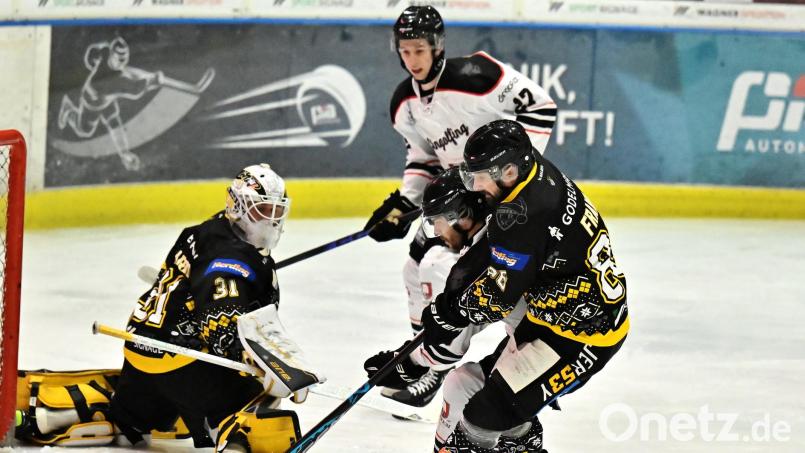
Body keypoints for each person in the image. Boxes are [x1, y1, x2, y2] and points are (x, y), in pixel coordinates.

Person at [15, 164, 322, 451]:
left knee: (139, 414)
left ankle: (68, 413)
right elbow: (223, 330)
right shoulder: (232, 261)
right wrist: (276, 369)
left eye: (277, 211)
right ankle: (232, 435)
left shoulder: (203, 232)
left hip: (140, 355)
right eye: (263, 210)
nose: (272, 220)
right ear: (239, 208)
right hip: (183, 368)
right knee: (262, 395)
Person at [369, 120, 630, 452]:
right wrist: (416, 353)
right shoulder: (530, 175)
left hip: (581, 338)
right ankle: (520, 438)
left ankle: (516, 434)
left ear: (508, 170)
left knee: (484, 416)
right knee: (466, 385)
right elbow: (484, 260)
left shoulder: (526, 214)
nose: (476, 186)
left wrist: (444, 316)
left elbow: (493, 300)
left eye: (482, 176)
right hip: (553, 321)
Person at [364, 4, 557, 407]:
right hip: (457, 198)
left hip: (496, 195)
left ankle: (445, 358)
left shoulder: (477, 76)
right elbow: (423, 159)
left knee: (445, 268)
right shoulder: (404, 102)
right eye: (405, 50)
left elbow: (541, 107)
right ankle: (428, 359)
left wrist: (514, 176)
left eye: (419, 49)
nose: (412, 59)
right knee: (414, 267)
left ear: (437, 46)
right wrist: (404, 202)